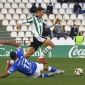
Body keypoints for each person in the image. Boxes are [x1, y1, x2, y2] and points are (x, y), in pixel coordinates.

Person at [0, 41, 64, 78]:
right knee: (45, 67)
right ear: (16, 54)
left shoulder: (15, 65)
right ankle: (58, 70)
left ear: (11, 58)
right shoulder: (20, 55)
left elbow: (6, 74)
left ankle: (49, 75)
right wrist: (7, 42)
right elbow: (17, 45)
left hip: (32, 73)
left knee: (40, 75)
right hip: (34, 65)